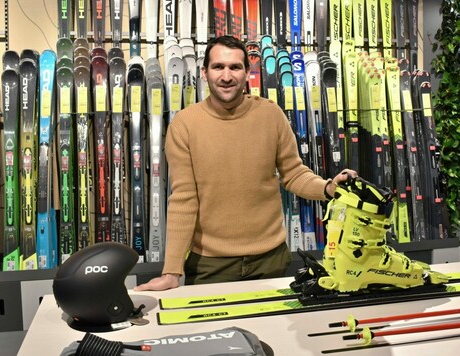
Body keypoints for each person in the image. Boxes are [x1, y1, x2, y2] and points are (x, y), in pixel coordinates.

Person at [135, 35, 356, 291]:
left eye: (235, 67)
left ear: (247, 72)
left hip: (270, 260)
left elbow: (294, 174)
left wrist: (328, 188)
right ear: (204, 73)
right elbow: (183, 198)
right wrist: (172, 271)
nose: (226, 76)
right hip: (210, 265)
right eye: (218, 67)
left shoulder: (271, 114)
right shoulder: (184, 125)